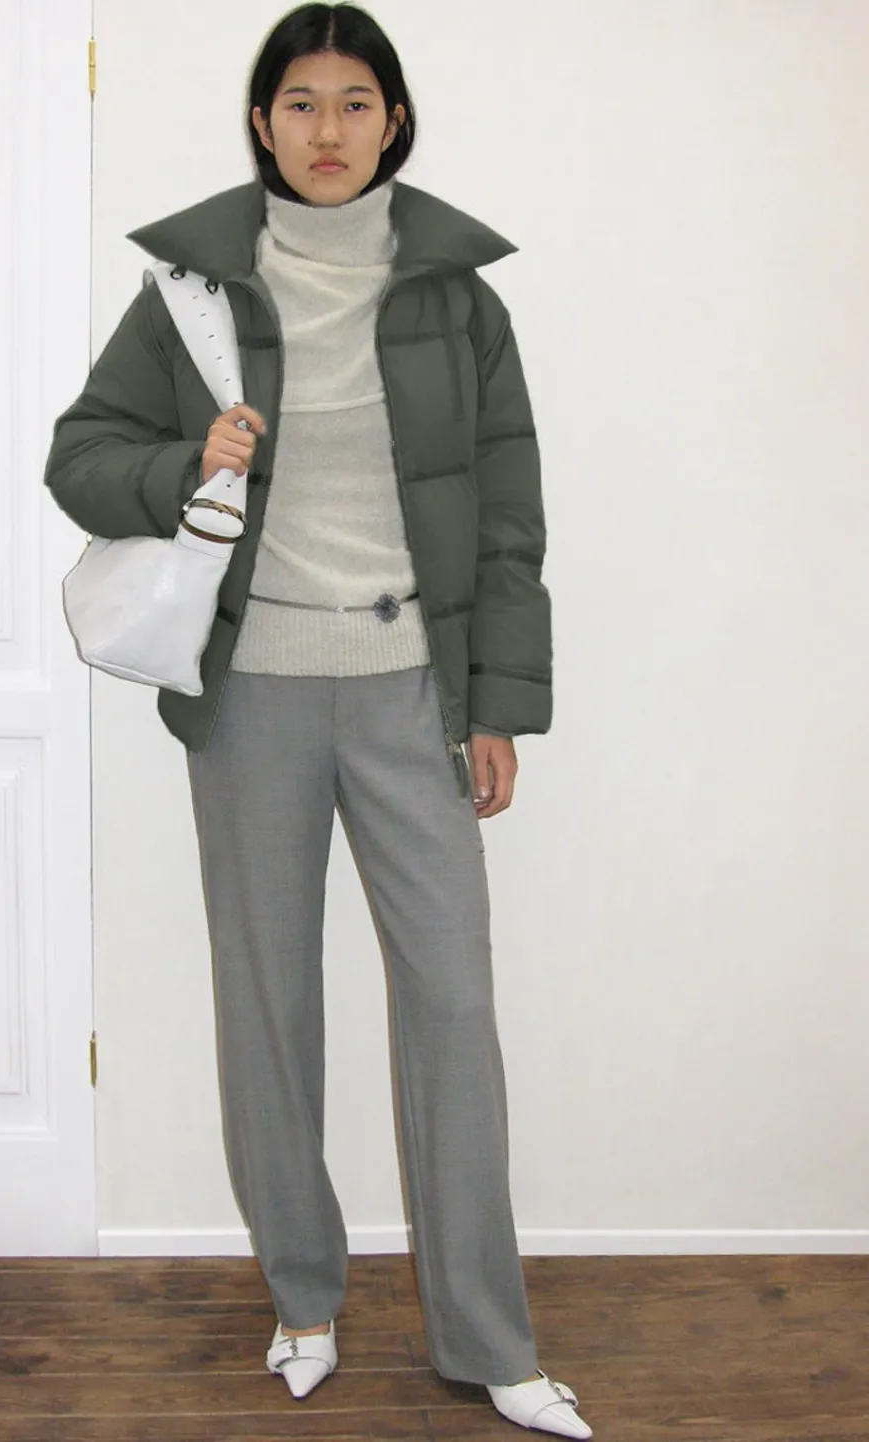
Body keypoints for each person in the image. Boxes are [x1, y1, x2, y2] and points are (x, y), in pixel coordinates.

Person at [44, 5, 591, 1436]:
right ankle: (302, 1295)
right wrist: (185, 460)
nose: (328, 129)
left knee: (453, 1005)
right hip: (255, 699)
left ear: (393, 121)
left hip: (414, 689)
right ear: (262, 121)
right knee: (269, 1003)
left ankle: (489, 1338)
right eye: (300, 103)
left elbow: (510, 518)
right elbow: (79, 458)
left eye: (355, 102)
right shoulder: (193, 296)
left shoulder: (457, 299)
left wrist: (499, 705)